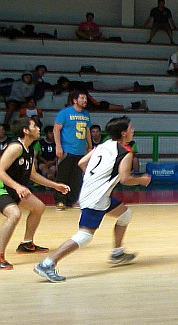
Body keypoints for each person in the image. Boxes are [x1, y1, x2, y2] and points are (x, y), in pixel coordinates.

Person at [34, 116, 152, 282]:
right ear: (124, 133)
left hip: (96, 193)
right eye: (131, 128)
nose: (133, 130)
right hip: (96, 197)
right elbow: (125, 179)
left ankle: (117, 253)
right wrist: (142, 180)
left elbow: (82, 163)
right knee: (85, 235)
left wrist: (95, 180)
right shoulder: (125, 153)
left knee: (125, 214)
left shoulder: (103, 145)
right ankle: (47, 264)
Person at [0, 117, 71, 271]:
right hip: (2, 188)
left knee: (38, 207)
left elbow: (33, 174)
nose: (38, 128)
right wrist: (18, 187)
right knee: (14, 214)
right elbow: (0, 170)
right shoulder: (15, 147)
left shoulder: (30, 149)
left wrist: (55, 186)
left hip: (12, 188)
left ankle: (26, 243)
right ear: (26, 131)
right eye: (34, 126)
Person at [54, 90, 91, 211]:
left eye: (85, 98)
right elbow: (56, 129)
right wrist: (58, 146)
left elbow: (87, 131)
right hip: (67, 150)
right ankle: (60, 200)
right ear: (75, 100)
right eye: (82, 98)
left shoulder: (86, 114)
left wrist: (89, 146)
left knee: (76, 178)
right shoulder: (64, 113)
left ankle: (72, 200)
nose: (85, 100)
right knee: (62, 176)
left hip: (80, 151)